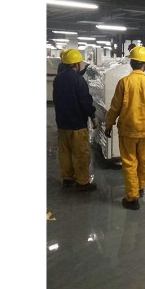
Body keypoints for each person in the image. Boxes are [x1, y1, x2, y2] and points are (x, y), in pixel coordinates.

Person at [104, 46, 145, 210]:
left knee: (130, 163)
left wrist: (108, 124)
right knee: (143, 161)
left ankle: (132, 198)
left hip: (127, 131)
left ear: (131, 63)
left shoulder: (124, 83)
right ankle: (140, 188)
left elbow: (115, 108)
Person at [53, 48, 98, 191]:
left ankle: (67, 179)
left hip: (62, 123)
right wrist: (92, 116)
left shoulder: (58, 79)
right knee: (81, 153)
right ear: (77, 64)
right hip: (77, 124)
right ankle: (82, 182)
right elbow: (85, 101)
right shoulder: (79, 80)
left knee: (64, 152)